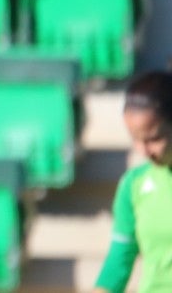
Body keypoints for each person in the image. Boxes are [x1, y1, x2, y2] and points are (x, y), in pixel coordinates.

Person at [94, 69, 172, 293]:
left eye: (154, 139)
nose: (143, 151)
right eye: (136, 139)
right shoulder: (134, 184)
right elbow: (120, 257)